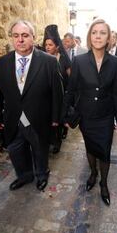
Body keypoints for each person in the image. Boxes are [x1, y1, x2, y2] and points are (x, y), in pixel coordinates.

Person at [0, 20, 62, 191]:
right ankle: (24, 176)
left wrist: (55, 118)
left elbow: (57, 92)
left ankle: (41, 174)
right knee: (16, 150)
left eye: (25, 35)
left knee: (39, 148)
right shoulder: (3, 62)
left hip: (38, 117)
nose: (20, 40)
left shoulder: (49, 61)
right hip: (13, 117)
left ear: (33, 37)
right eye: (16, 36)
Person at [63, 18, 117, 206]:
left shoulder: (116, 62)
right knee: (90, 148)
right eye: (94, 32)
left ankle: (104, 184)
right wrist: (66, 114)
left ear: (108, 38)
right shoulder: (79, 60)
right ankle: (93, 173)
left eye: (102, 33)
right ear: (90, 36)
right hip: (86, 116)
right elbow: (71, 90)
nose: (98, 36)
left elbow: (116, 92)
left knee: (104, 151)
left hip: (105, 116)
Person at [42, 24, 71, 153]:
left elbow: (71, 79)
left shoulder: (64, 59)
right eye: (46, 45)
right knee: (48, 119)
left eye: (50, 45)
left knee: (58, 119)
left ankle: (57, 142)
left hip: (61, 95)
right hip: (47, 96)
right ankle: (48, 139)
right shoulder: (42, 59)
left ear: (57, 46)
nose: (47, 48)